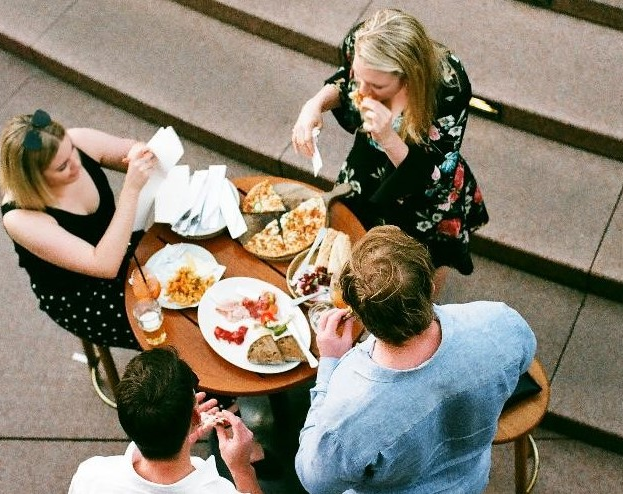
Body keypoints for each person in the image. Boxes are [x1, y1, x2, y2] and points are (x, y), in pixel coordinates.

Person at [295, 225, 537, 493]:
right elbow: (524, 361)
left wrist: (330, 364)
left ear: (360, 317)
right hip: (470, 480)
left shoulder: (346, 412)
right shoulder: (498, 321)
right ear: (431, 286)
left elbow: (314, 480)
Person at [292, 9, 489, 293]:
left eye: (377, 86)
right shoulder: (361, 41)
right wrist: (315, 104)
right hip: (369, 167)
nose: (362, 93)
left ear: (409, 80)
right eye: (361, 79)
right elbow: (345, 83)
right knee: (353, 250)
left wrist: (387, 137)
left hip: (424, 191)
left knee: (419, 274)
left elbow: (432, 173)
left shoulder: (448, 87)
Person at [0, 109, 157, 349]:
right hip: (82, 295)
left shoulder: (73, 142)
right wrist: (131, 190)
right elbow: (103, 266)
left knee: (190, 271)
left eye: (71, 149)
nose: (76, 163)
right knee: (166, 325)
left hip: (119, 243)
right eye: (62, 166)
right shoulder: (20, 217)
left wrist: (139, 153)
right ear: (34, 179)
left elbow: (130, 148)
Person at [68, 346, 263, 493]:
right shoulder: (220, 491)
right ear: (196, 416)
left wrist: (177, 433)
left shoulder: (91, 475)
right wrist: (242, 468)